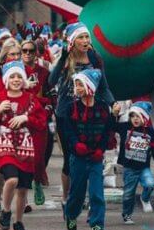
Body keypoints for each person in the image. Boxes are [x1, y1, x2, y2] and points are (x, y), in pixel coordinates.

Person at [49, 22, 115, 219]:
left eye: (87, 37)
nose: (86, 41)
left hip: (91, 113)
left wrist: (113, 104)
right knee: (72, 160)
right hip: (67, 115)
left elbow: (103, 86)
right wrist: (62, 56)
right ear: (72, 41)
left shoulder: (94, 57)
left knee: (92, 157)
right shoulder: (65, 58)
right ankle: (67, 197)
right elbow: (51, 81)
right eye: (81, 37)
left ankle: (90, 203)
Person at [0, 61, 46, 230]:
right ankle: (5, 211)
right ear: (6, 79)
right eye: (12, 76)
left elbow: (41, 122)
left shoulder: (31, 100)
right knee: (11, 179)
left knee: (23, 189)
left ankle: (18, 223)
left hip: (25, 147)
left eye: (19, 76)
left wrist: (26, 118)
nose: (16, 79)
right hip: (5, 145)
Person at [62, 69, 112, 230]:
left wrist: (101, 149)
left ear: (90, 86)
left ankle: (97, 224)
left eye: (80, 84)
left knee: (97, 192)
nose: (78, 88)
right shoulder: (72, 108)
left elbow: (107, 132)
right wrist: (76, 144)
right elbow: (68, 131)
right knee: (77, 192)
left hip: (96, 157)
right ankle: (71, 214)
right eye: (76, 84)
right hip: (78, 157)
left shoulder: (103, 107)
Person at [112, 101, 154, 224]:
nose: (135, 119)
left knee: (150, 184)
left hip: (144, 167)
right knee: (128, 193)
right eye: (133, 116)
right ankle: (127, 215)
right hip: (129, 168)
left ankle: (144, 199)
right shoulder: (125, 127)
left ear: (144, 117)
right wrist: (114, 114)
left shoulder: (150, 132)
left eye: (138, 116)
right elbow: (112, 126)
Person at [20, 39, 53, 206]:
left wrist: (44, 111)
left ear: (36, 53)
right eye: (24, 50)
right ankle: (23, 198)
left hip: (39, 121)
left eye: (31, 51)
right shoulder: (16, 71)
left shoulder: (44, 72)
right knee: (23, 158)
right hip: (20, 121)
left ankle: (38, 181)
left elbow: (51, 97)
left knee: (39, 157)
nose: (27, 54)